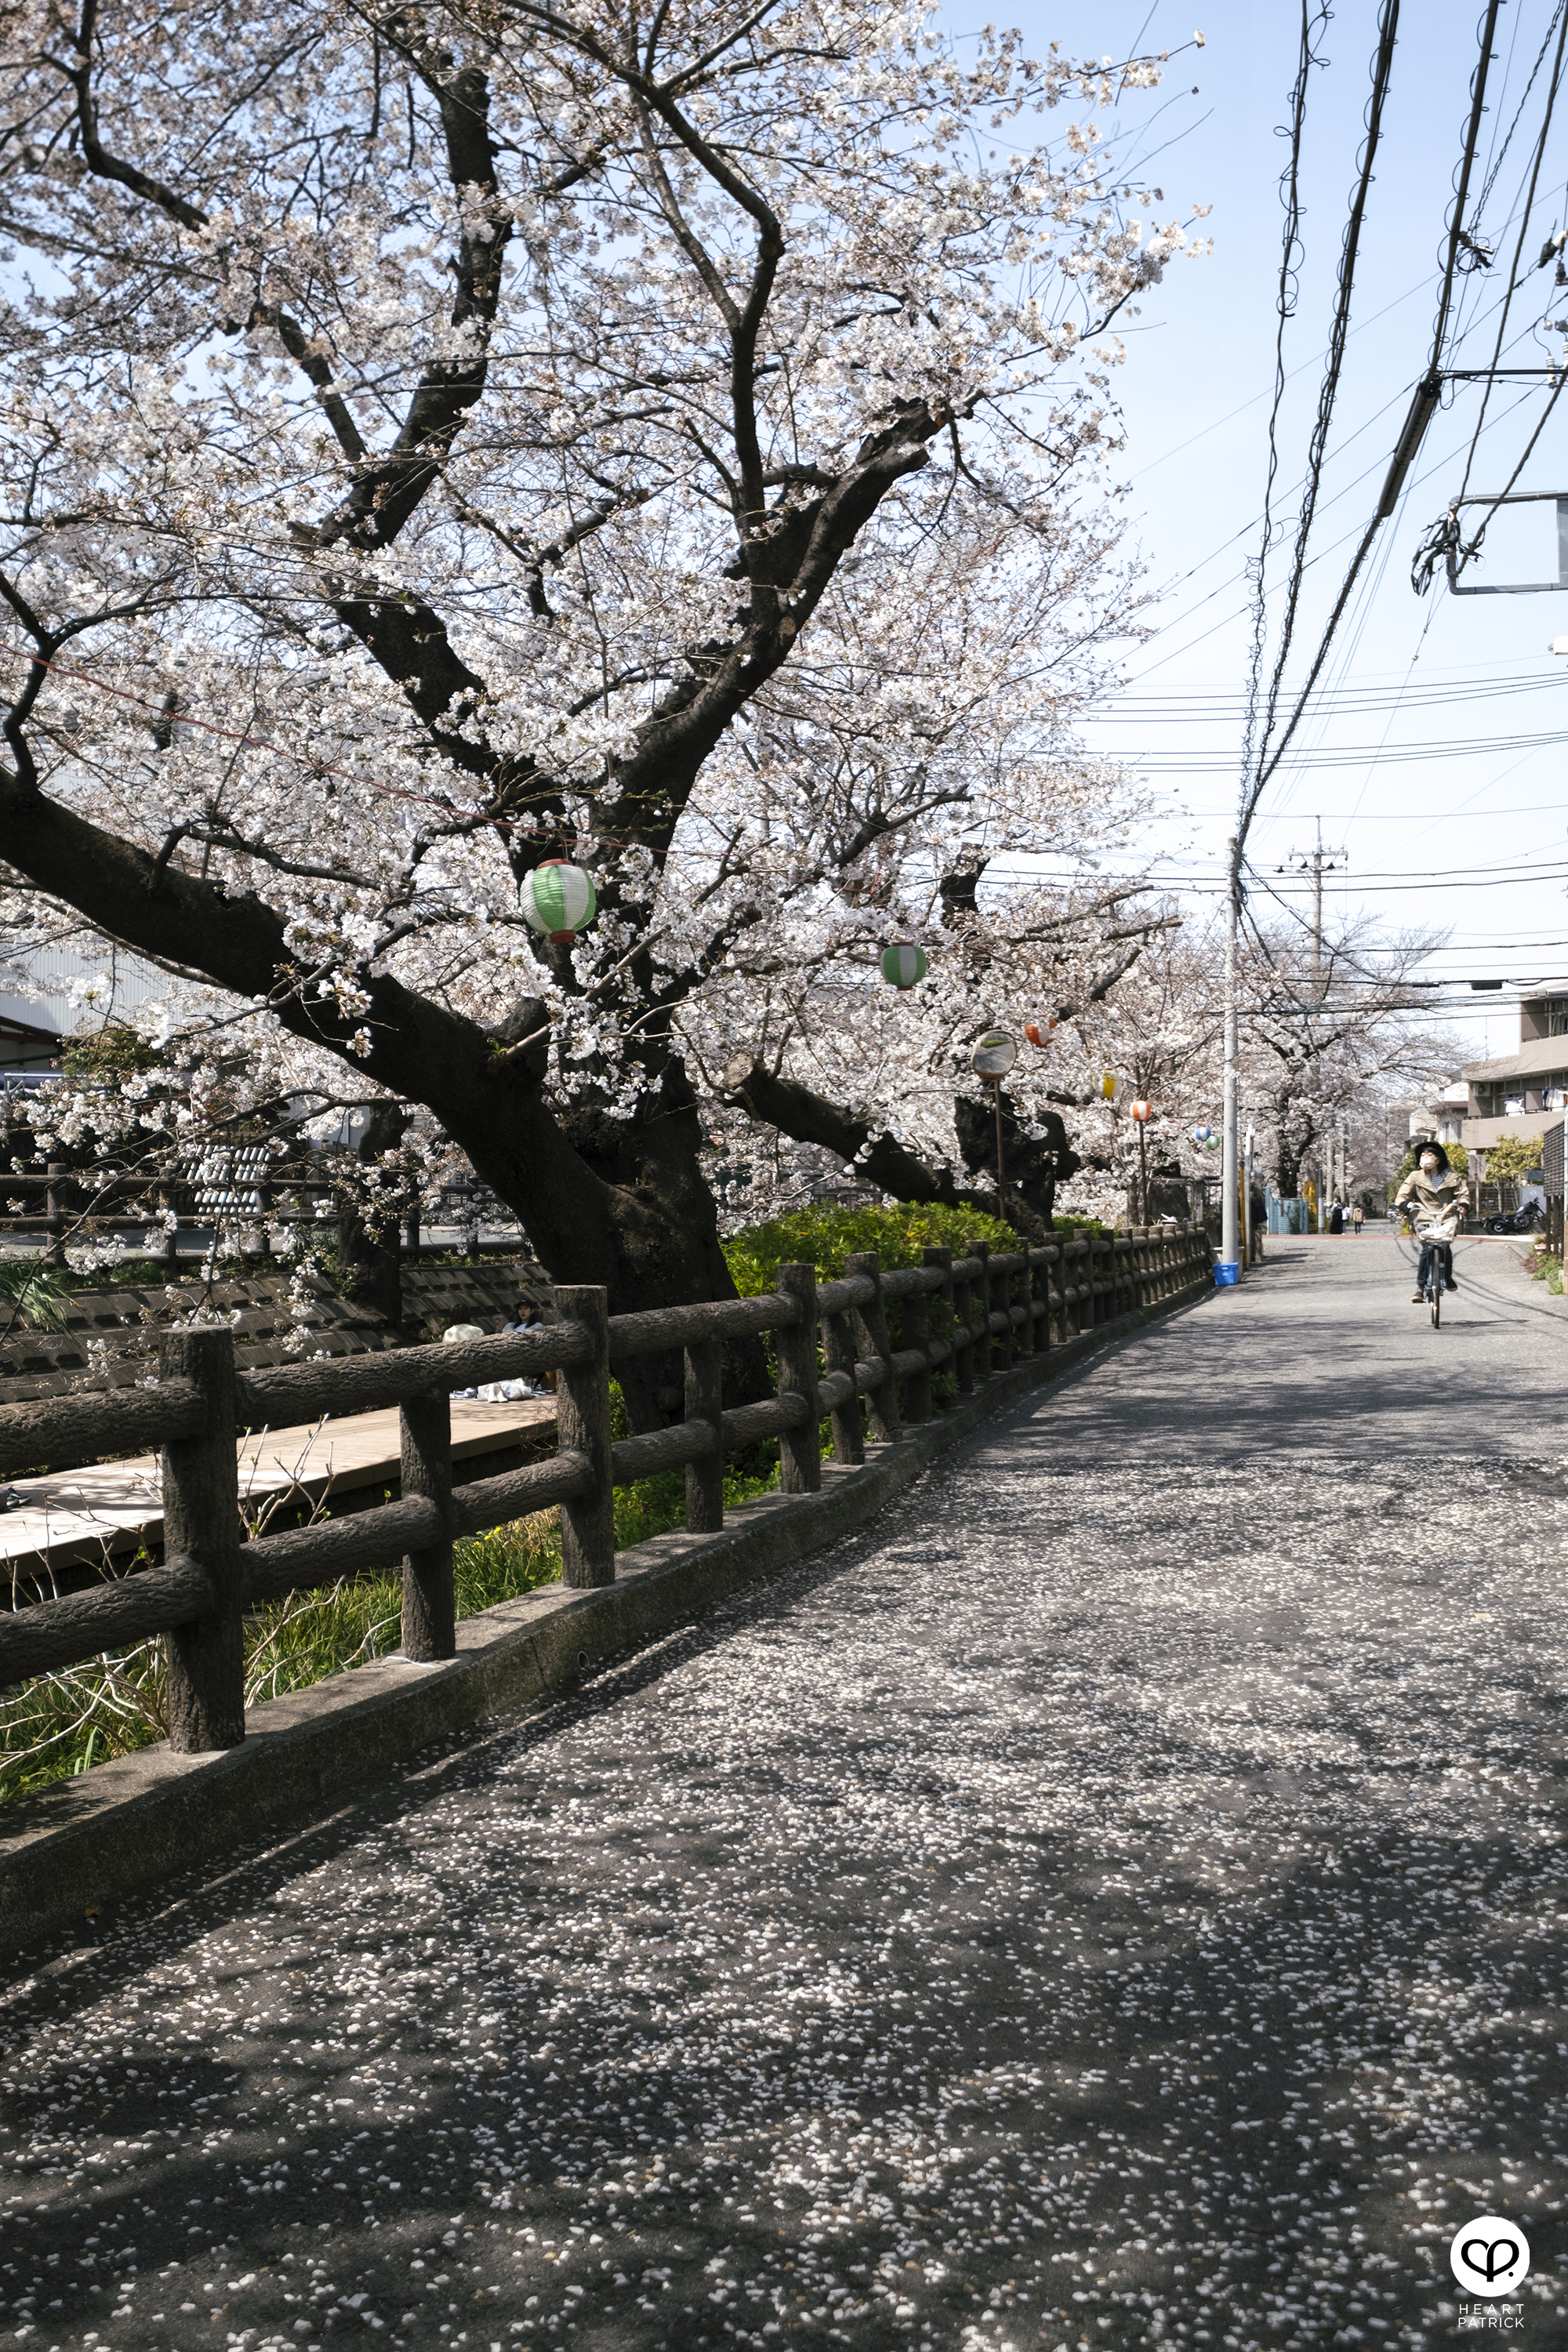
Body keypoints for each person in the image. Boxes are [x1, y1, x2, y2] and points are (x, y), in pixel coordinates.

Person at [1393, 1142, 1465, 1303]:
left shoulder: (1452, 1176)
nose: (1425, 1159)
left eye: (1429, 1155)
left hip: (1446, 1217)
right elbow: (1403, 1194)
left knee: (1445, 1247)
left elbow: (1462, 1194)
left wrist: (1463, 1205)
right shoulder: (1415, 1176)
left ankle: (1447, 1277)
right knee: (1427, 1249)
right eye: (1422, 1155)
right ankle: (1420, 1286)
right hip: (1423, 1217)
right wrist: (1404, 1205)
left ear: (1438, 1159)